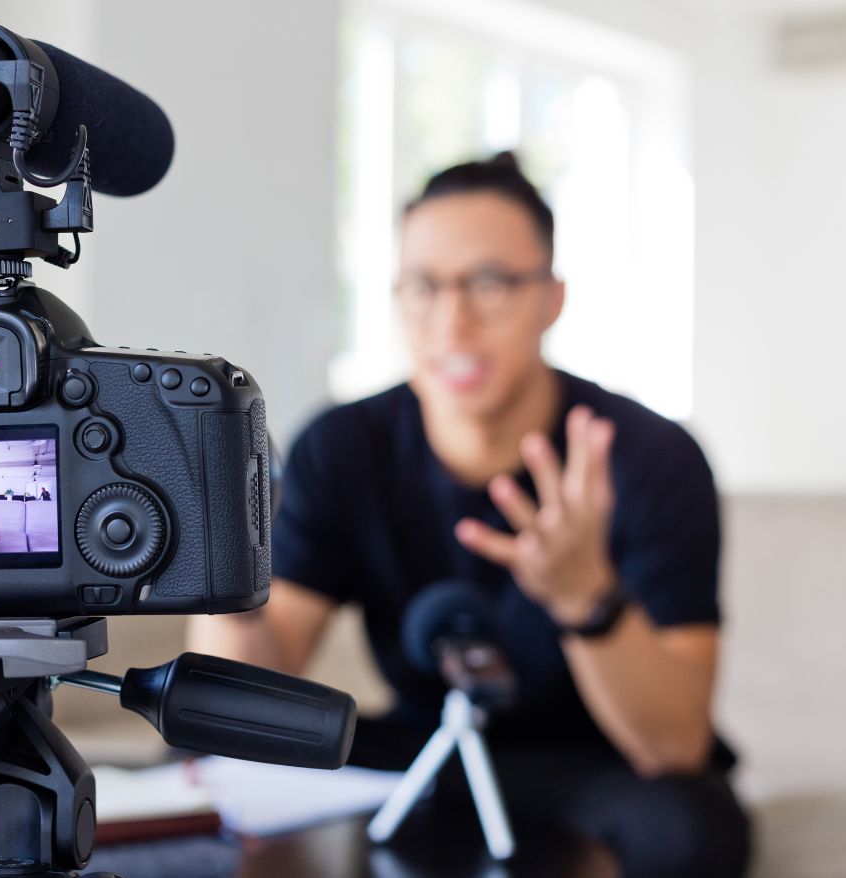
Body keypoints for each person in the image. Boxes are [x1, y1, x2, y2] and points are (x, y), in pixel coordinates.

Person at [189, 153, 749, 877]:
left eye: (490, 283)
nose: (452, 321)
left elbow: (673, 744)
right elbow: (245, 710)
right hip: (427, 746)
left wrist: (588, 596)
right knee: (197, 768)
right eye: (424, 286)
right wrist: (226, 571)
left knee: (688, 827)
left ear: (551, 298)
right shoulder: (343, 445)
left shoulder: (648, 456)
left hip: (596, 764)